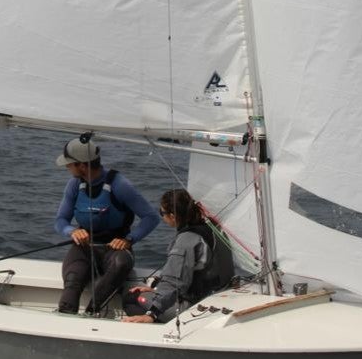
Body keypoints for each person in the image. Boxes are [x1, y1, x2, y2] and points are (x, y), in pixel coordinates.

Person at [53, 135, 159, 315]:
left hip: (115, 250)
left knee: (119, 265)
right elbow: (60, 221)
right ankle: (65, 315)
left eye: (69, 164)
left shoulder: (120, 185)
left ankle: (92, 312)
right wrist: (72, 231)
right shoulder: (74, 185)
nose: (67, 167)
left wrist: (128, 240)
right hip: (85, 248)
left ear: (82, 165)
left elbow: (151, 217)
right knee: (73, 278)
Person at [122, 188, 235, 324]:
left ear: (173, 216)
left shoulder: (186, 240)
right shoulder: (213, 229)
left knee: (131, 298)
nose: (161, 216)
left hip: (195, 306)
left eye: (162, 213)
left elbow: (173, 282)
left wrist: (151, 314)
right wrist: (156, 289)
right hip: (217, 294)